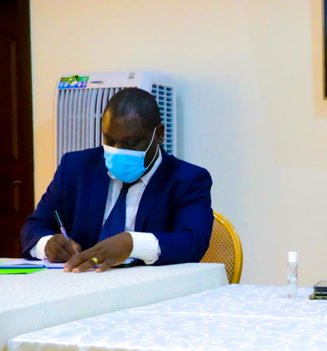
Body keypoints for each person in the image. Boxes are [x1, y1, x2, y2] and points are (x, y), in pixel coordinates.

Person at [21, 88, 213, 272]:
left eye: (131, 143)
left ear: (159, 134)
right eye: (110, 140)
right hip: (82, 282)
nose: (118, 150)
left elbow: (193, 241)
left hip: (150, 287)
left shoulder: (187, 180)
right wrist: (47, 245)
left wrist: (133, 243)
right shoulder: (76, 168)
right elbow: (34, 227)